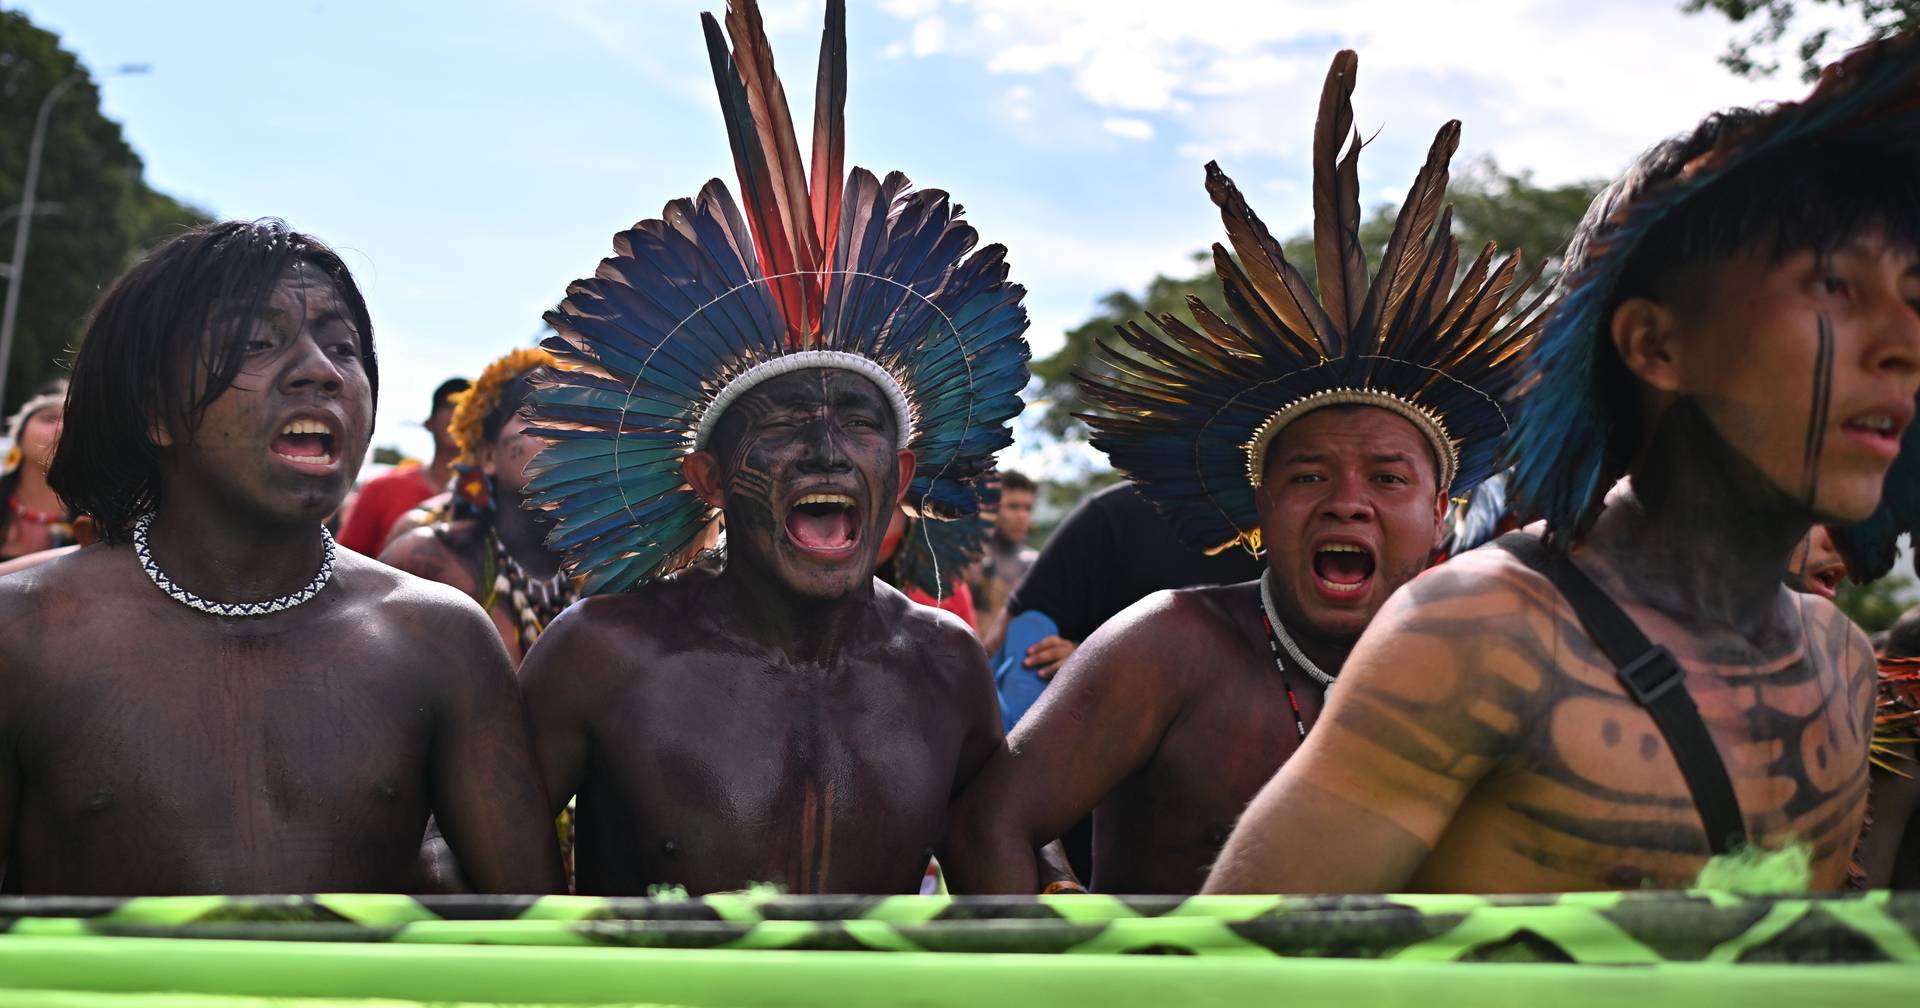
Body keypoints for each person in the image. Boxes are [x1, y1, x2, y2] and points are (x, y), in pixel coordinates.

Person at [1207, 32, 1920, 895]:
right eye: (1836, 290)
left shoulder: (1841, 662)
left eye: (1916, 300)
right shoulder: (1478, 636)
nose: (1902, 345)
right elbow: (1234, 975)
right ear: (1655, 345)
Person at [944, 51, 1544, 894]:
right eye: (1307, 478)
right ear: (1261, 504)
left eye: (1387, 479)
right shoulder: (1166, 648)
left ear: (1442, 509)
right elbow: (987, 824)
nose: (1347, 505)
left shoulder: (1491, 678)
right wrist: (1051, 945)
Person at [517, 0, 1028, 896]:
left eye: (860, 422)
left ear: (901, 474)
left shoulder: (944, 664)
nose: (827, 450)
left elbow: (1004, 868)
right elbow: (479, 872)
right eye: (786, 420)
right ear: (706, 474)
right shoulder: (602, 654)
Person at [0, 219, 563, 895]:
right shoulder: (24, 635)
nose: (321, 372)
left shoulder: (442, 639)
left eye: (343, 347)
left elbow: (533, 940)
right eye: (258, 342)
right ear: (156, 411)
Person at [382, 349, 577, 665]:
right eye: (537, 414)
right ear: (487, 456)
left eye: (576, 421)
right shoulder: (427, 562)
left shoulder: (616, 570)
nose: (561, 433)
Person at [335, 376, 468, 554]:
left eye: (468, 406)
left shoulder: (492, 499)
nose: (457, 412)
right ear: (429, 423)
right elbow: (343, 562)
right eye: (448, 405)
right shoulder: (381, 488)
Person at [0, 389, 76, 560]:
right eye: (50, 418)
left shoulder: (100, 520)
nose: (62, 428)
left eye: (74, 423)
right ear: (19, 437)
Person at [971, 469, 1036, 641]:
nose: (1022, 516)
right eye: (1013, 506)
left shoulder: (1036, 566)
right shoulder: (967, 562)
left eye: (1027, 508)